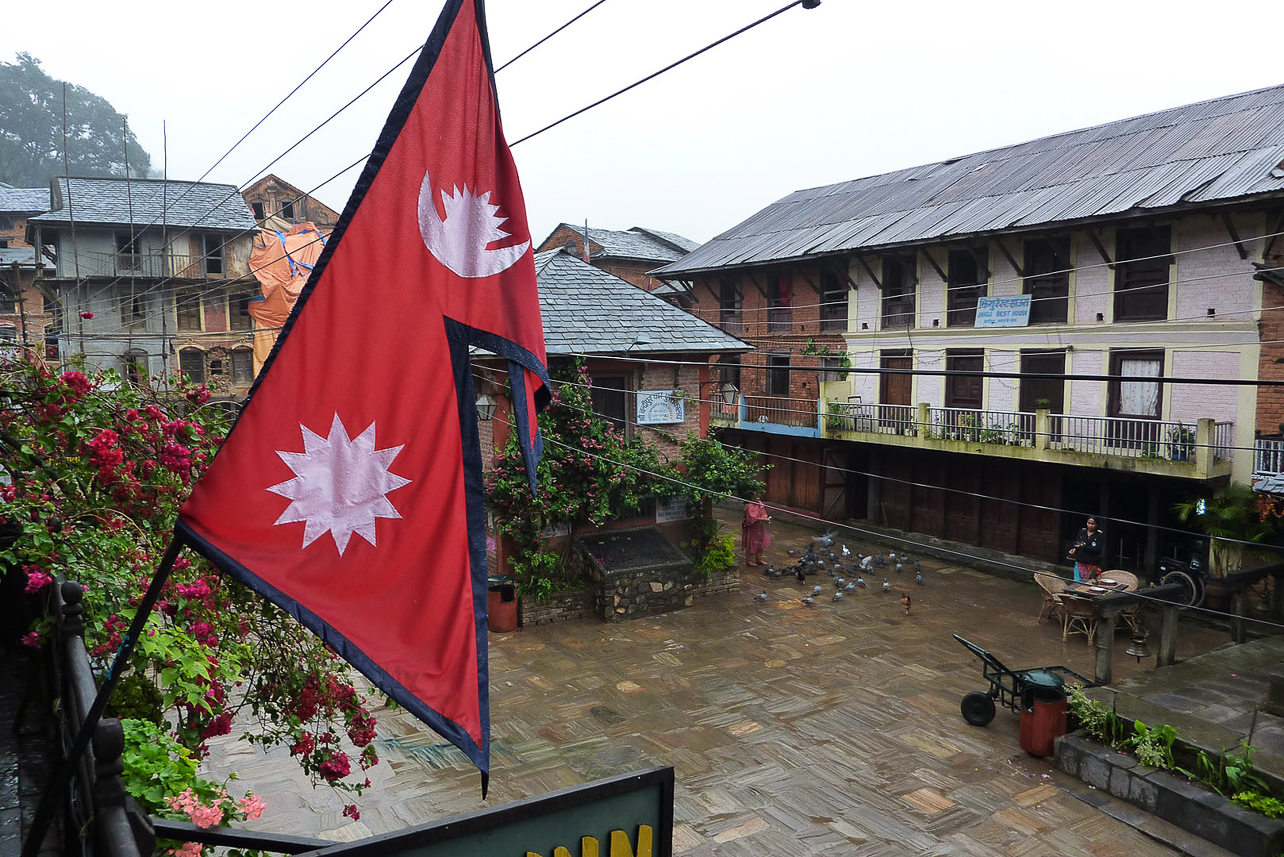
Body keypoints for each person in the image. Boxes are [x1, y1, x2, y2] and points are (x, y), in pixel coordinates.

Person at [1068, 516, 1105, 581]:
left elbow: (1098, 549)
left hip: (1092, 562)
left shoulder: (1099, 535)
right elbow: (1077, 544)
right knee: (1077, 582)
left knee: (1091, 582)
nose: (1090, 525)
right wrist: (1074, 549)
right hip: (1080, 561)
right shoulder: (1082, 532)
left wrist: (1084, 546)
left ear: (1096, 524)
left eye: (1093, 524)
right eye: (1088, 523)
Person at [742, 498, 771, 566]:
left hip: (760, 527)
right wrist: (763, 519)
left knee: (760, 543)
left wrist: (767, 520)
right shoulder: (749, 506)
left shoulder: (760, 505)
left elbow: (763, 514)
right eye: (756, 497)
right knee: (751, 543)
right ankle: (750, 560)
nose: (758, 498)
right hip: (752, 527)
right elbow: (751, 518)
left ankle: (759, 559)